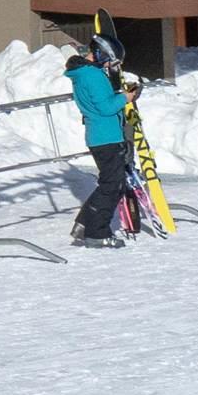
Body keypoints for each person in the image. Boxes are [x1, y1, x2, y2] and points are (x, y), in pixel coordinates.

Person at [67, 36, 137, 248]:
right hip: (105, 137)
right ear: (99, 54)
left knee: (109, 183)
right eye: (108, 60)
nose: (108, 65)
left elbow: (100, 102)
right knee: (112, 186)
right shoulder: (93, 76)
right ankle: (97, 233)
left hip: (100, 135)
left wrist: (120, 95)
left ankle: (83, 223)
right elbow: (106, 108)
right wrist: (126, 98)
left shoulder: (84, 74)